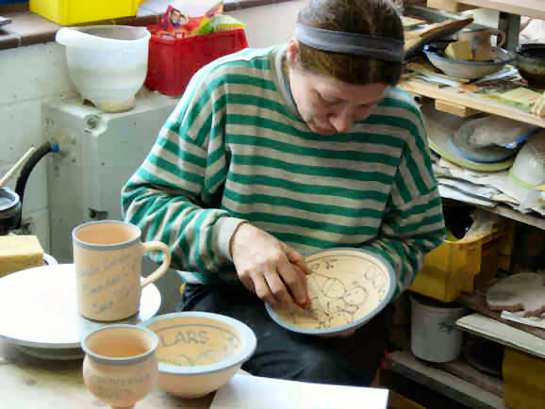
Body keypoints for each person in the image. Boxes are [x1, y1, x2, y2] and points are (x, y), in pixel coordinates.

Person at [122, 0, 445, 386]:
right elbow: (144, 206)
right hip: (231, 295)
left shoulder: (400, 120)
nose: (343, 125)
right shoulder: (226, 88)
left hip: (349, 310)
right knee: (304, 374)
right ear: (294, 55)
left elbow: (417, 234)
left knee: (321, 376)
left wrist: (364, 284)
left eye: (365, 109)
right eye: (329, 100)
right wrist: (233, 237)